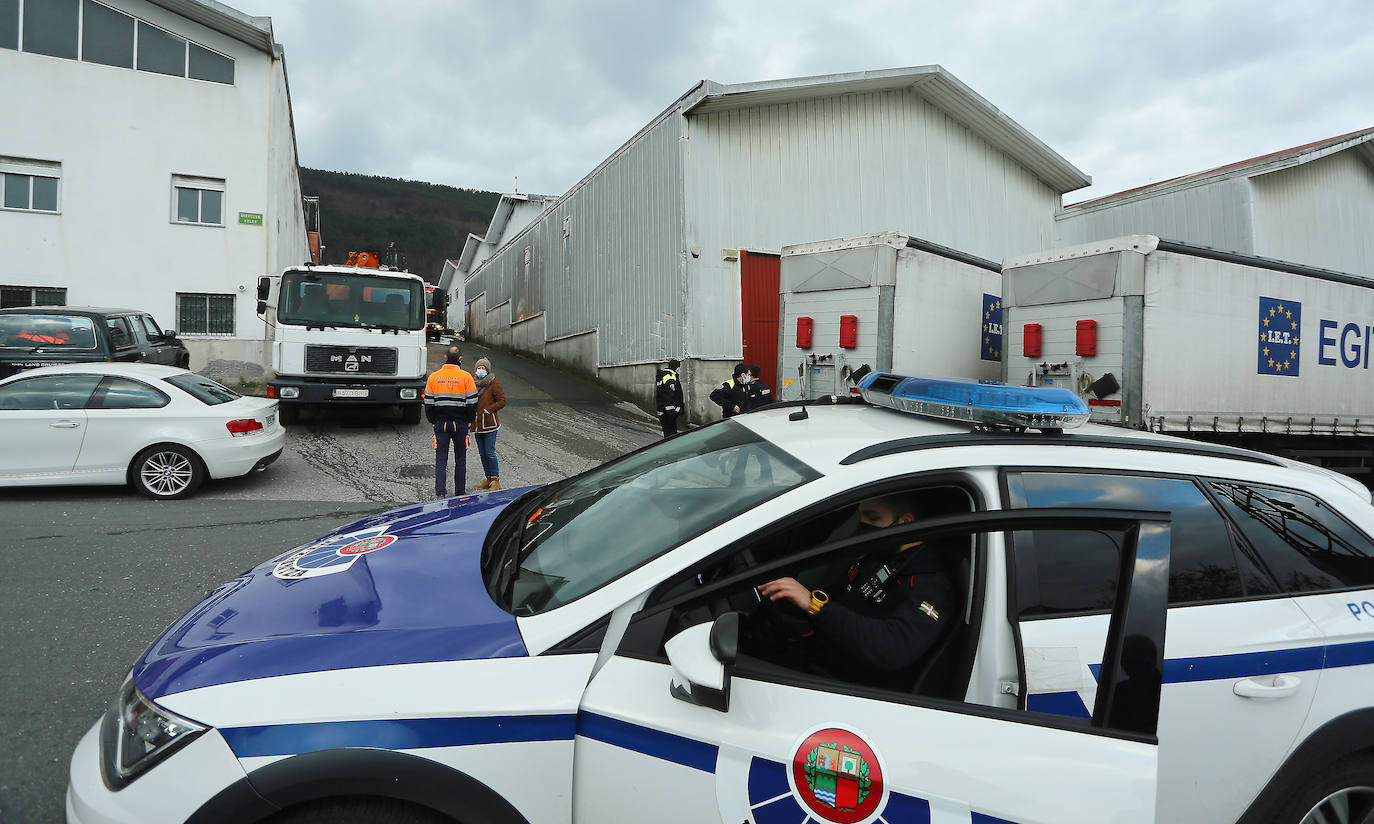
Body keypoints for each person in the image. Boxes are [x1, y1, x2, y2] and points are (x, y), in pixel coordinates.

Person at [756, 494, 957, 691]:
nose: (863, 525)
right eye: (861, 517)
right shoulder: (877, 556)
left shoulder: (930, 582)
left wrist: (816, 605)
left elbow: (894, 647)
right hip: (819, 659)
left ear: (905, 522)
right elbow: (837, 600)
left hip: (851, 689)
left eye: (873, 517)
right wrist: (781, 593)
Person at [424, 346, 477, 497]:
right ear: (460, 359)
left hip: (441, 424)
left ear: (445, 358)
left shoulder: (434, 377)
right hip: (460, 424)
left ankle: (440, 492)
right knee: (460, 459)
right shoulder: (467, 377)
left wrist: (433, 420)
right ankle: (460, 492)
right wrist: (469, 420)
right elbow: (472, 403)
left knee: (441, 459)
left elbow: (428, 403)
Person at [470, 357, 507, 491]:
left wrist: (489, 410)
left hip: (490, 424)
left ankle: (495, 480)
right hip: (477, 425)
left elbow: (502, 401)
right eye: (479, 368)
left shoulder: (493, 383)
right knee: (482, 453)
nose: (481, 370)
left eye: (483, 368)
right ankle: (488, 479)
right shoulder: (473, 383)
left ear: (488, 370)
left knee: (489, 452)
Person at [655, 358, 685, 438]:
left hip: (663, 410)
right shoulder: (670, 377)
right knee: (671, 435)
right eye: (679, 367)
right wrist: (674, 411)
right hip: (669, 412)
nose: (680, 370)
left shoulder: (664, 375)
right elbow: (669, 394)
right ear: (677, 368)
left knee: (667, 434)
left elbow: (660, 394)